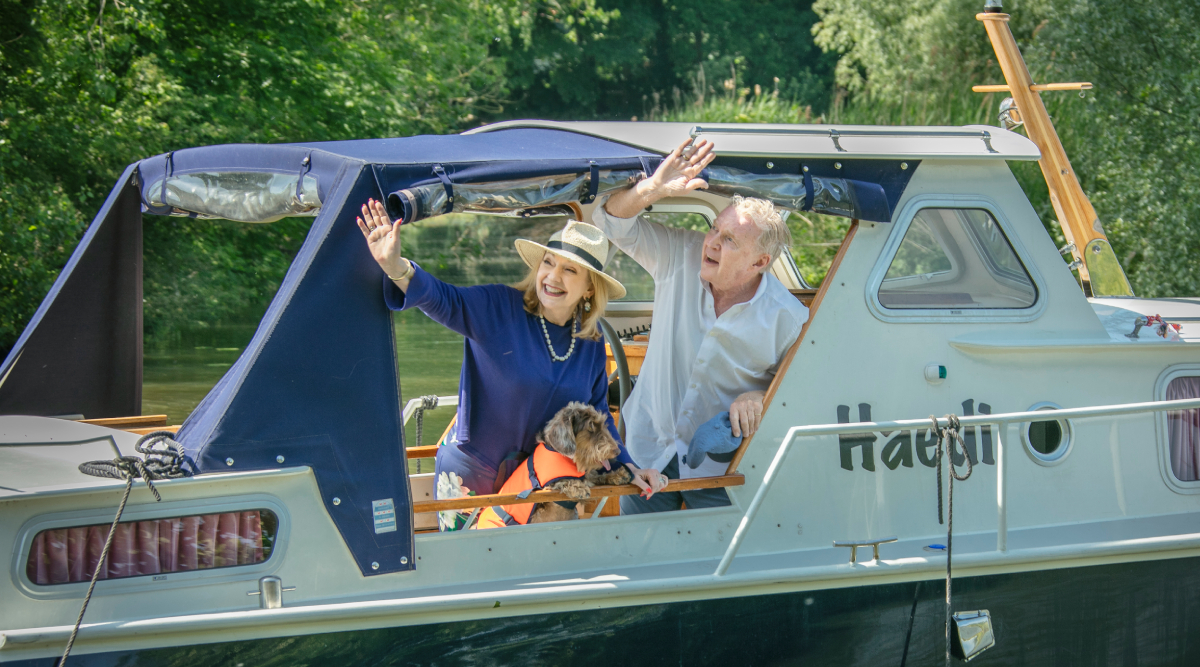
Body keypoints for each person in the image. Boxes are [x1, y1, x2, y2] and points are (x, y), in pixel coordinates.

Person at [356, 199, 664, 520]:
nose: (553, 277)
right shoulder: (498, 306)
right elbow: (442, 298)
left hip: (534, 478)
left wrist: (628, 466)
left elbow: (598, 415)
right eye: (548, 262)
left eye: (569, 270)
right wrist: (395, 267)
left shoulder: (591, 340)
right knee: (467, 564)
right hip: (470, 474)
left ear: (589, 288)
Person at [593, 139, 809, 514]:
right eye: (714, 230)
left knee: (712, 562)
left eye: (729, 240)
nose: (711, 243)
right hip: (648, 450)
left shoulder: (789, 318)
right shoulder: (679, 253)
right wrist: (652, 189)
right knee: (639, 558)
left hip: (722, 467)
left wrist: (759, 398)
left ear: (759, 262)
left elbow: (801, 392)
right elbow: (610, 221)